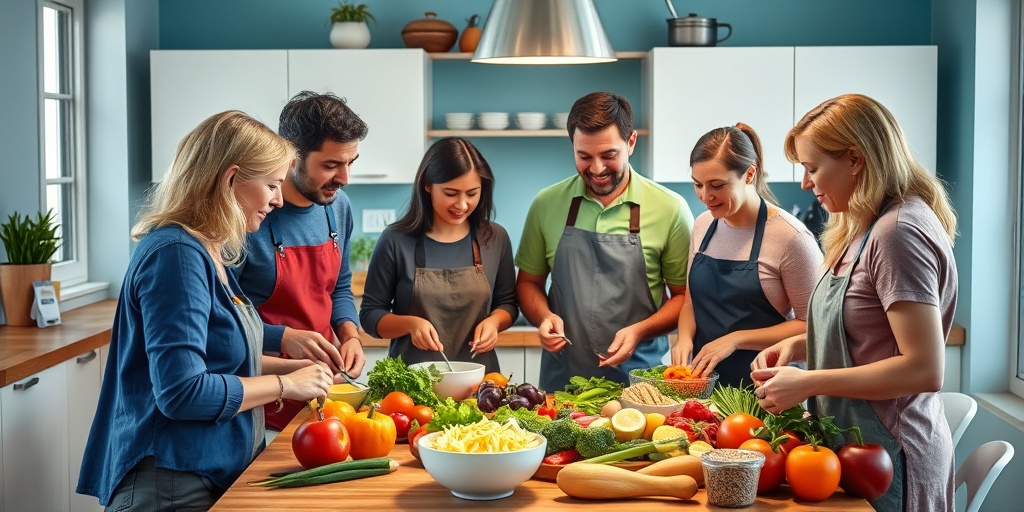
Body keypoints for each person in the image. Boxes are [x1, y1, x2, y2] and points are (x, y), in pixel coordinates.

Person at [77, 111, 335, 510]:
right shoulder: (176, 255)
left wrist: (295, 367)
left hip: (205, 473)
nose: (278, 200)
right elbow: (182, 392)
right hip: (170, 482)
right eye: (270, 184)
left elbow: (220, 343)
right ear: (230, 179)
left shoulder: (209, 249)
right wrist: (288, 386)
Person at [751, 94, 958, 511]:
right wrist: (798, 346)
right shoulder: (865, 226)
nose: (806, 183)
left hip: (892, 454)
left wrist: (809, 381)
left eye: (812, 168)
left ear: (855, 159)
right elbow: (867, 332)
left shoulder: (897, 233)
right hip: (856, 445)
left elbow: (924, 368)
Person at [516, 91, 694, 392]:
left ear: (631, 142)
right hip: (561, 386)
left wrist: (639, 330)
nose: (596, 169)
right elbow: (528, 283)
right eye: (584, 156)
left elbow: (685, 298)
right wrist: (543, 317)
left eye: (609, 155)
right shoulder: (546, 204)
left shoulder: (670, 209)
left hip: (641, 388)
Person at [234, 91, 367, 432]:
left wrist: (349, 335)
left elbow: (338, 285)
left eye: (350, 163)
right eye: (330, 165)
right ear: (291, 154)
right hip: (260, 398)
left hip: (322, 392)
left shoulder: (339, 206)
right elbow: (224, 322)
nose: (344, 178)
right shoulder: (250, 215)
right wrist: (284, 337)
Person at [672, 123, 823, 387]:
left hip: (766, 388)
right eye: (698, 184)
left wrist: (735, 339)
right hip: (703, 387)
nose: (706, 197)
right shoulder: (703, 225)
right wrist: (684, 339)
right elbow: (689, 302)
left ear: (749, 174)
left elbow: (812, 327)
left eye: (717, 185)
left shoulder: (791, 237)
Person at [359, 137, 518, 372]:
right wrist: (410, 324)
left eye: (472, 193)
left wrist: (495, 323)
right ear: (427, 185)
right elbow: (370, 315)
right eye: (451, 193)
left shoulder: (495, 238)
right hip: (413, 386)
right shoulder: (395, 239)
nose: (462, 204)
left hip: (479, 384)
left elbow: (508, 304)